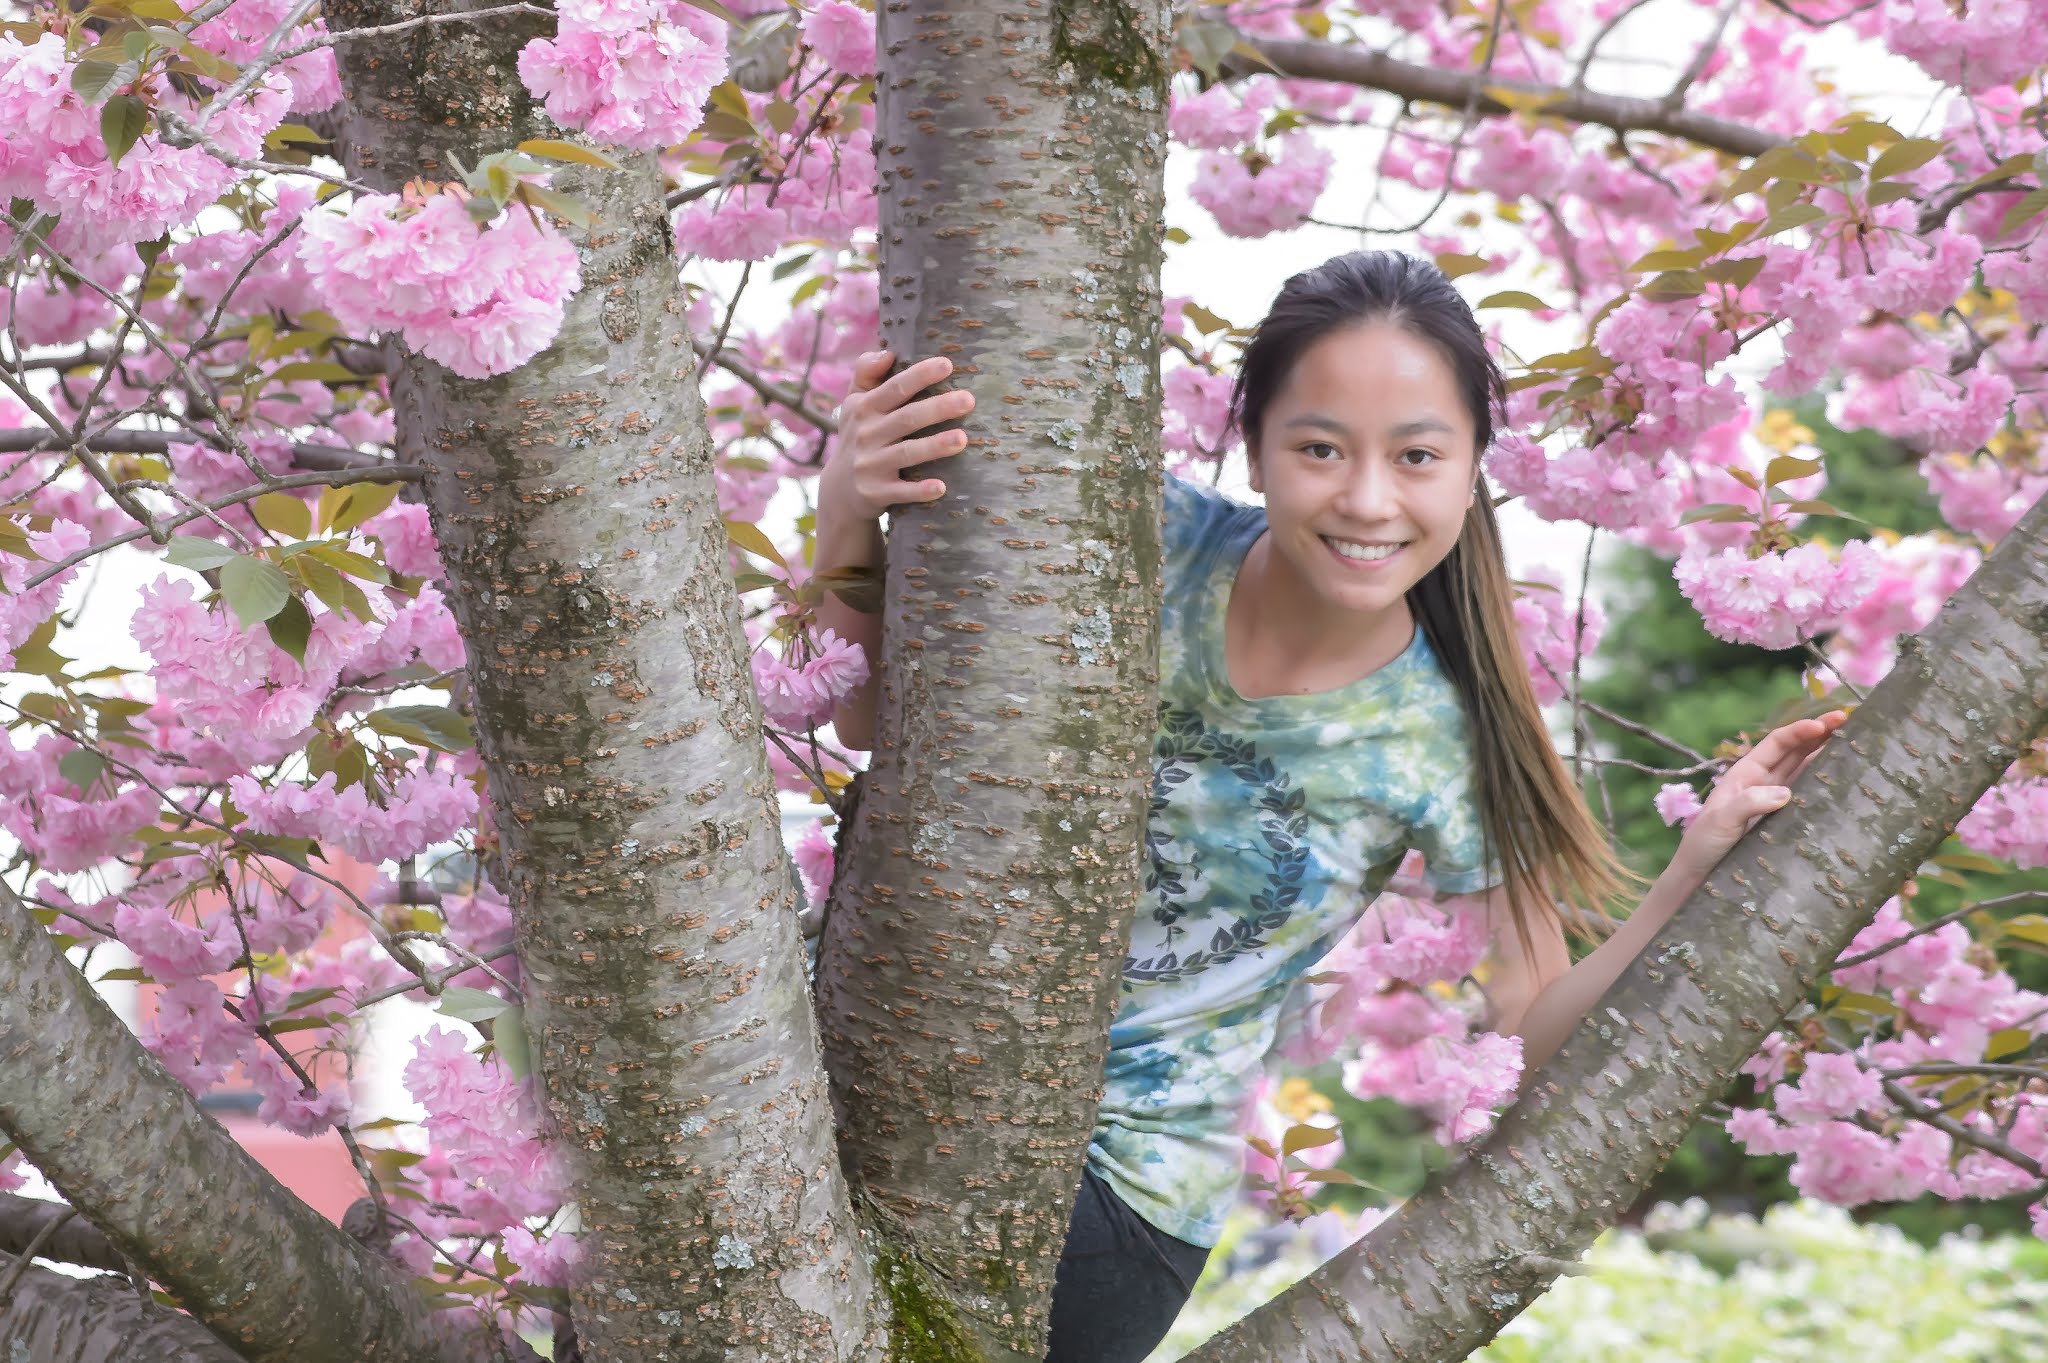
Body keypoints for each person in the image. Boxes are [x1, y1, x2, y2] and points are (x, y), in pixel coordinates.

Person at [813, 250, 1844, 1363]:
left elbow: (1525, 1025)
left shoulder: (1443, 735)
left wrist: (1689, 868)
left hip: (1116, 1199)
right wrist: (843, 505)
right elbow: (875, 721)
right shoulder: (1135, 543)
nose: (1364, 498)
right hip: (899, 1063)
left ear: (1471, 469)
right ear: (1253, 446)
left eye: (1414, 456)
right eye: (1317, 449)